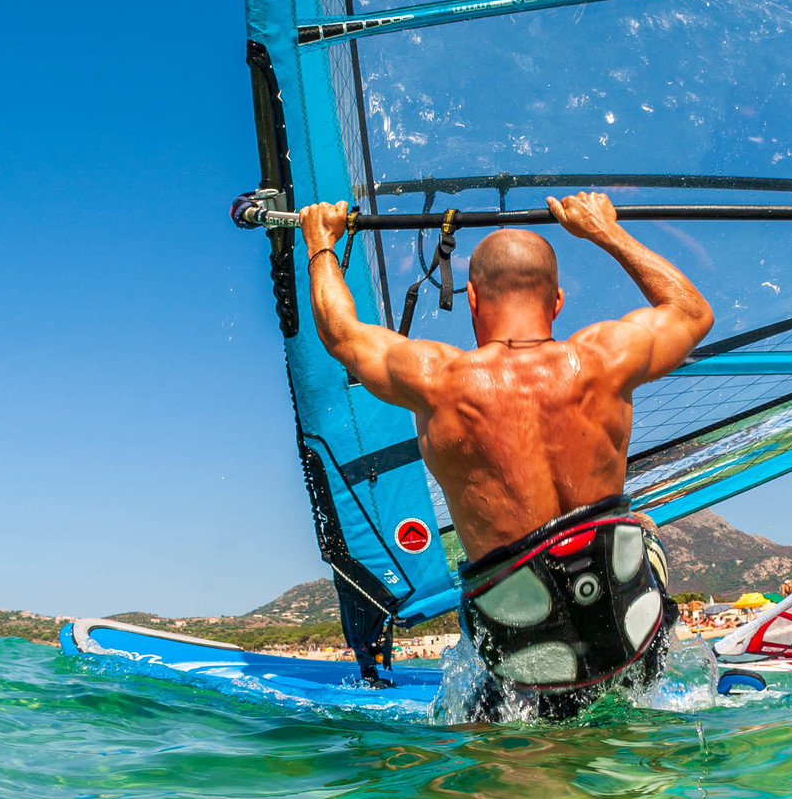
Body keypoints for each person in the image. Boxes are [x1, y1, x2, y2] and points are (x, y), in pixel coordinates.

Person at [298, 191, 714, 719]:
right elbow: (692, 312)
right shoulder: (607, 357)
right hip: (628, 633)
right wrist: (604, 230)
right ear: (557, 301)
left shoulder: (439, 379)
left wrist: (320, 245)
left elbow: (341, 334)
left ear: (472, 298)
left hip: (524, 659)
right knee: (642, 527)